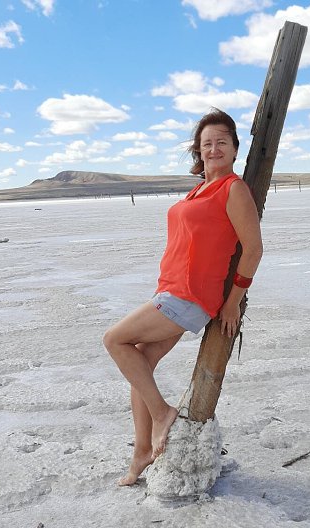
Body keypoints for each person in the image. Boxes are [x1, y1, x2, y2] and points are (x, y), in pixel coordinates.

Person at [103, 108, 263, 486]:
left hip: (190, 296)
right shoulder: (200, 189)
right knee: (140, 363)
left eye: (222, 141)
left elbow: (253, 249)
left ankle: (162, 414)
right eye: (207, 143)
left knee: (114, 340)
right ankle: (142, 452)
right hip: (172, 290)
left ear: (235, 148)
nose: (214, 149)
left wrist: (232, 302)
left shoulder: (233, 189)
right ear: (199, 151)